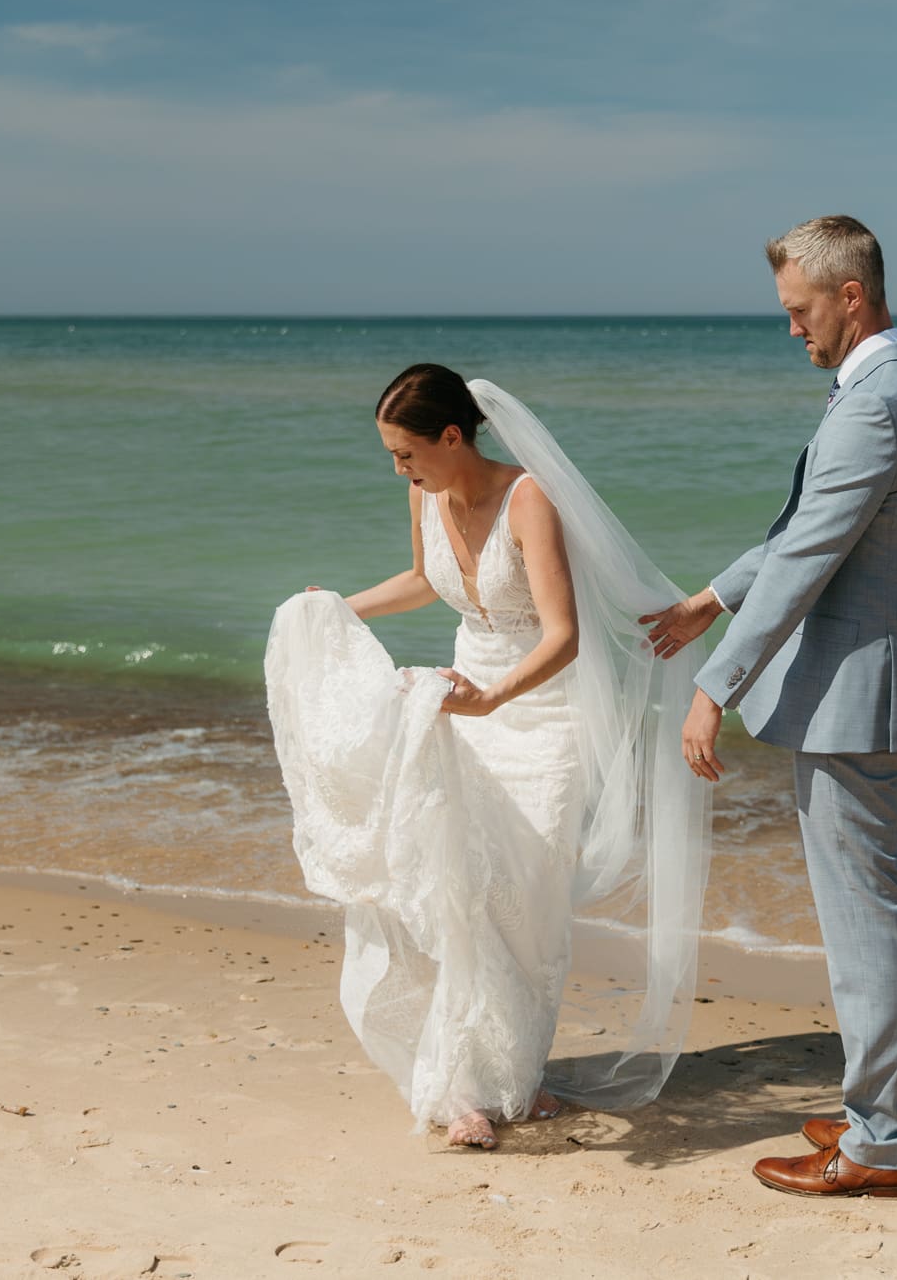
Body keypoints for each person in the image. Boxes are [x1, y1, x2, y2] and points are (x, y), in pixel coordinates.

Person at [266, 364, 710, 1151]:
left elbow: (563, 635)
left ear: (451, 435)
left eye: (407, 453)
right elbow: (422, 579)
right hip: (462, 706)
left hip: (537, 717)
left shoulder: (528, 498)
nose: (399, 469)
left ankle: (520, 1072)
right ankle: (464, 1086)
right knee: (456, 891)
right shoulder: (425, 496)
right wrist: (338, 606)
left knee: (528, 905)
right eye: (392, 457)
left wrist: (496, 696)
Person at [643, 215, 897, 1199]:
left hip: (855, 706)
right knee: (880, 913)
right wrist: (706, 598)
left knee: (861, 923)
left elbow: (805, 563)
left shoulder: (875, 405)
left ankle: (873, 1144)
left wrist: (711, 688)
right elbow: (801, 533)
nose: (791, 328)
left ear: (849, 297)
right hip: (885, 698)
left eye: (798, 309)